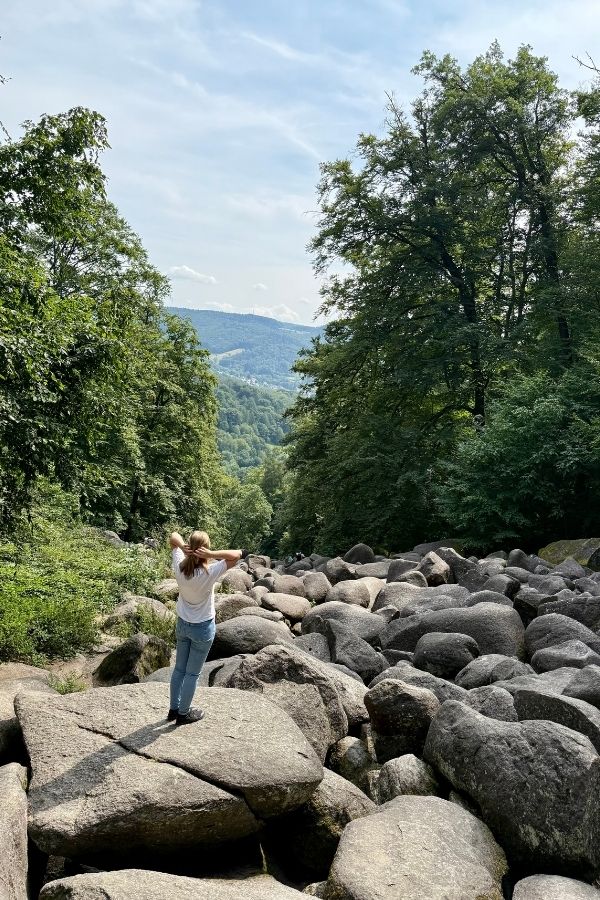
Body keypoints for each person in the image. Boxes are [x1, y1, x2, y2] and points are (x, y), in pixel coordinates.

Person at [167, 530, 248, 726]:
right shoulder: (209, 572)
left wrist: (184, 548)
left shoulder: (179, 565)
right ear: (205, 550)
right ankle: (183, 714)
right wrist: (211, 555)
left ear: (190, 547)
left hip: (183, 625)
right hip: (202, 629)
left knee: (179, 670)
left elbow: (173, 536)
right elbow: (238, 554)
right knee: (192, 674)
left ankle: (174, 709)